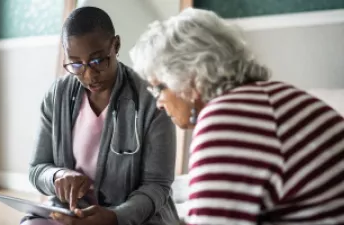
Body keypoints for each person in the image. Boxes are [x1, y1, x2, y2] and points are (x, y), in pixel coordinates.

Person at [130, 7, 344, 225]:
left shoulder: (228, 120)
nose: (158, 103)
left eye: (159, 88)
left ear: (189, 77)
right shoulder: (269, 97)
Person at [22, 6, 179, 225]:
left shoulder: (151, 99)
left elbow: (157, 185)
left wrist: (115, 217)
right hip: (72, 214)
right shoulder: (57, 96)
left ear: (116, 45)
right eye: (76, 64)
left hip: (134, 217)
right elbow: (37, 169)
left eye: (97, 61)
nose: (88, 75)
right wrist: (57, 177)